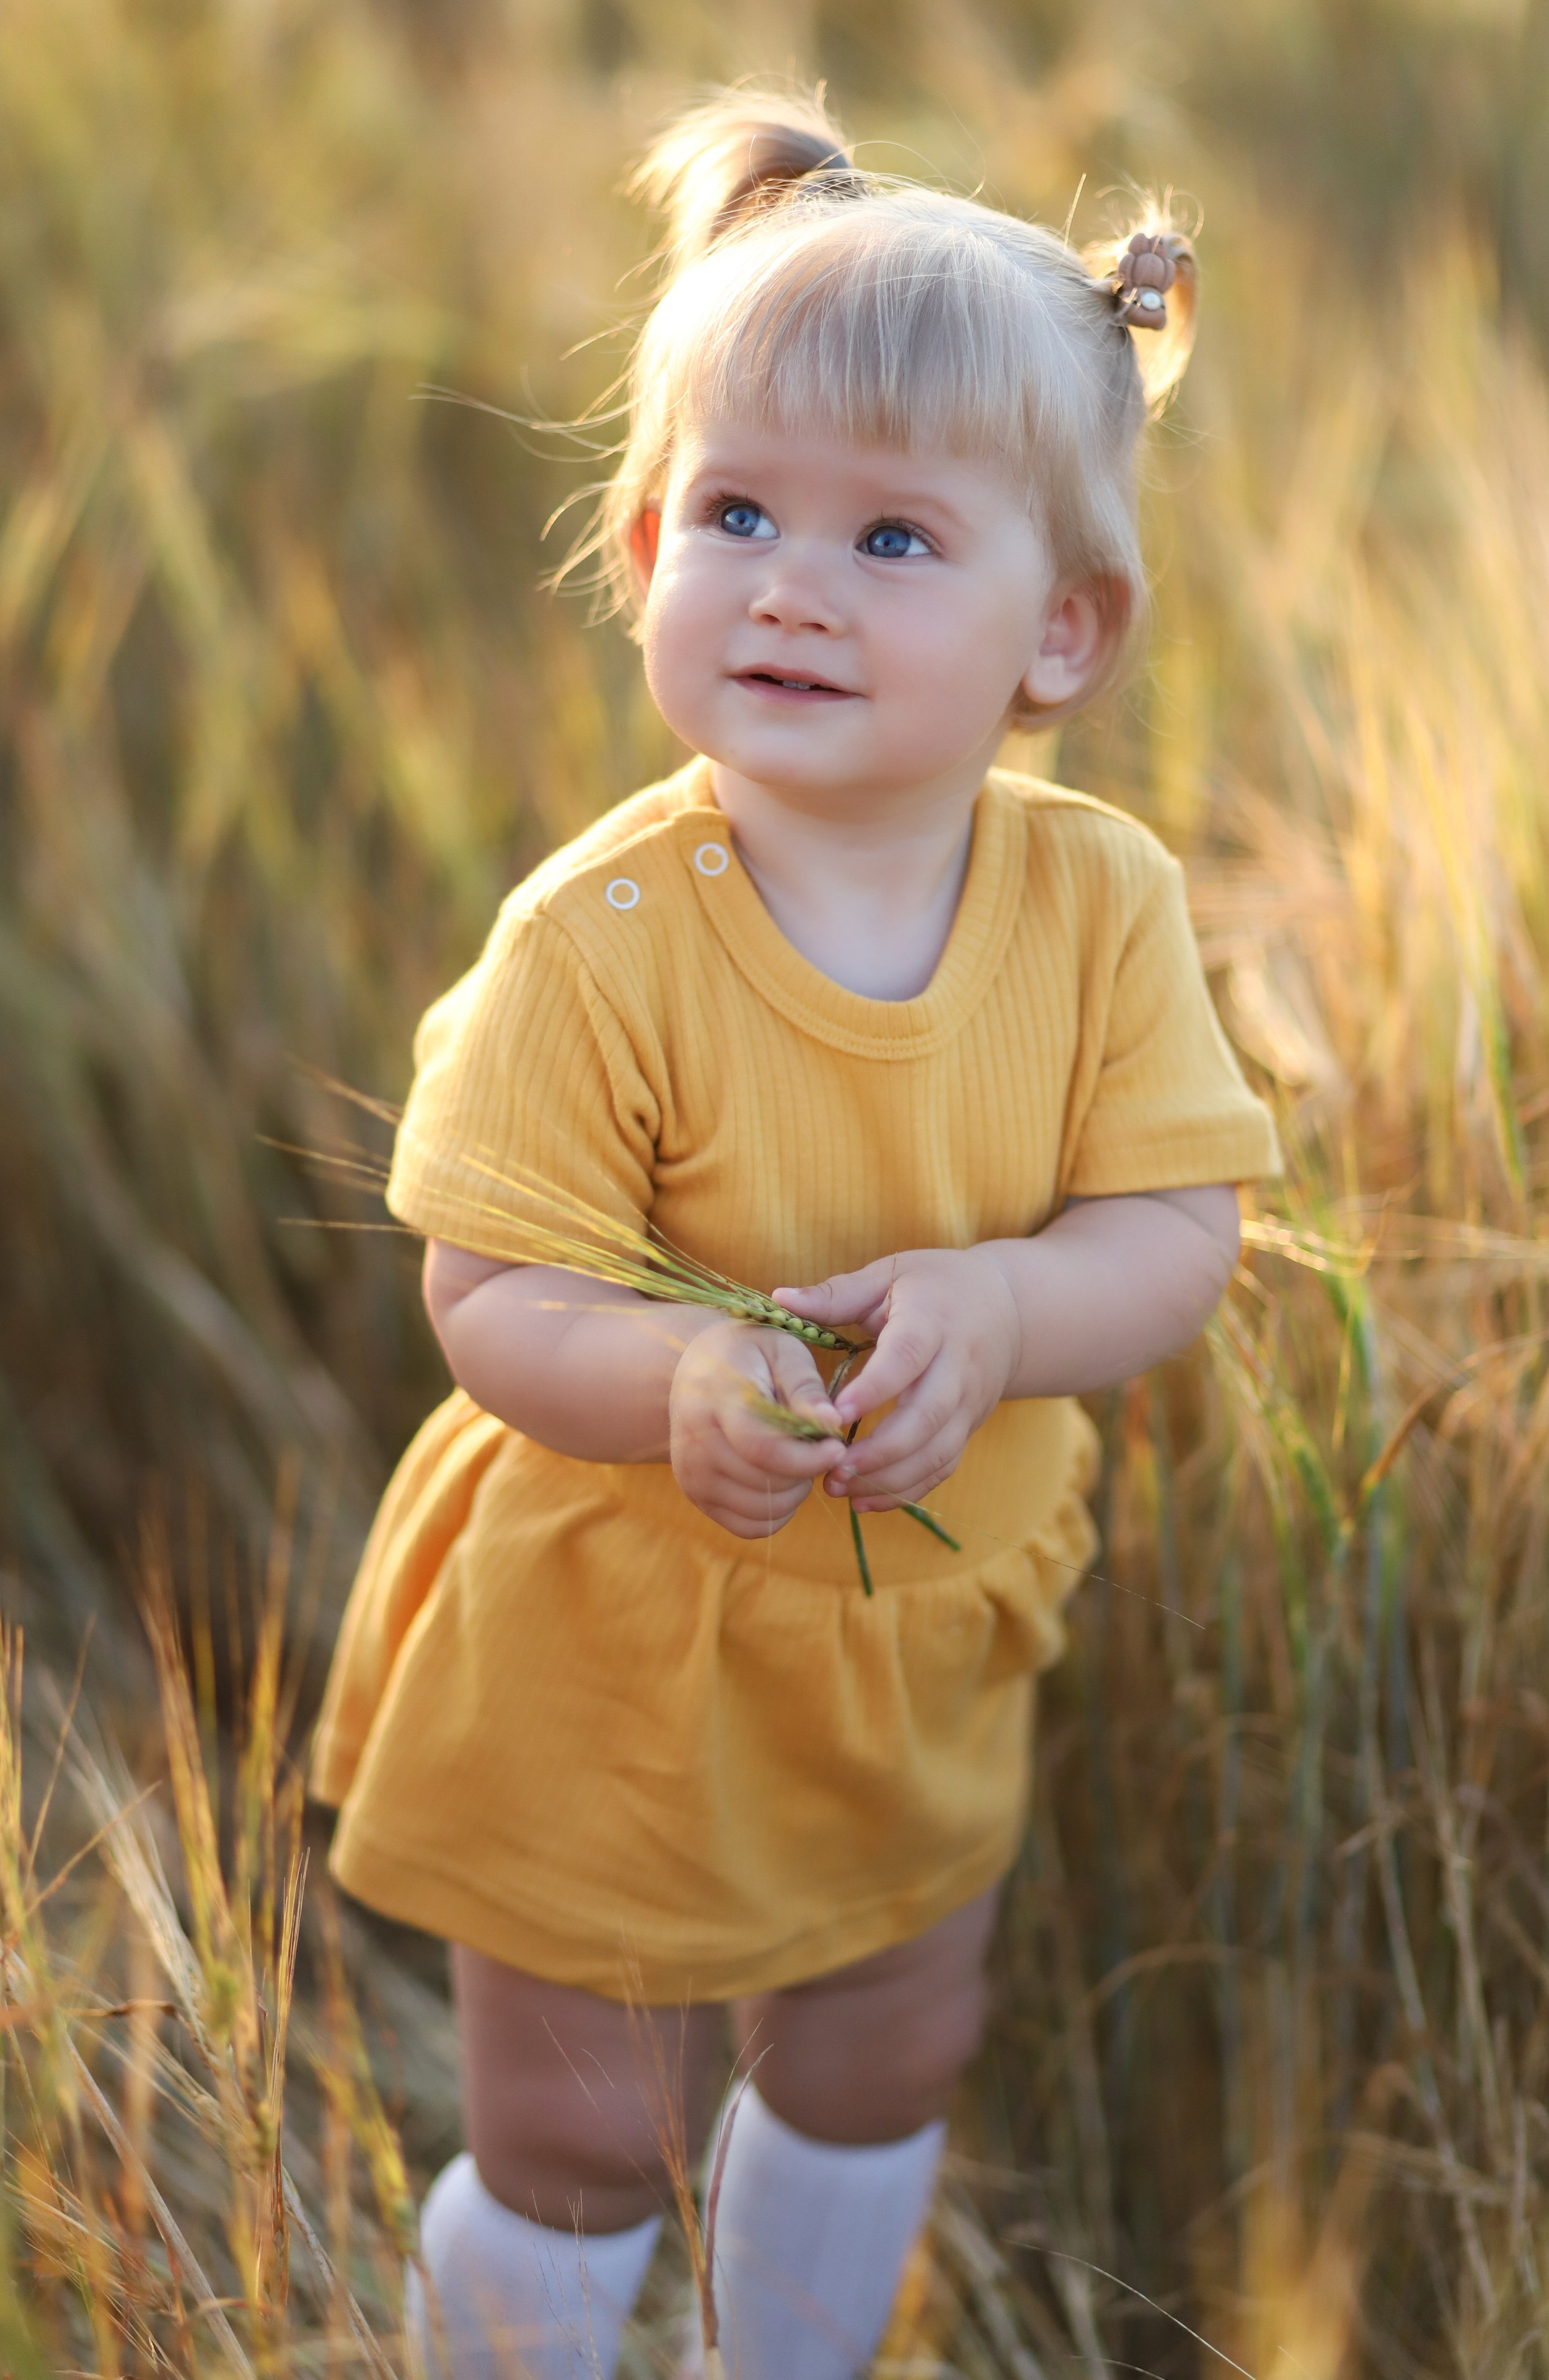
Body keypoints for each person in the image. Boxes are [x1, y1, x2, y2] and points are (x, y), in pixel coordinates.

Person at [310, 84, 1279, 2380]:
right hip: (621, 1651)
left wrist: (1001, 1299)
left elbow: (1174, 1228)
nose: (793, 583)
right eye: (737, 511)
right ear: (646, 549)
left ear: (1067, 633)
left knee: (880, 2041)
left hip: (912, 1630)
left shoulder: (1096, 902)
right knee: (577, 2123)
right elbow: (490, 1291)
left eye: (891, 540)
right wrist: (658, 1372)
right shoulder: (601, 943)